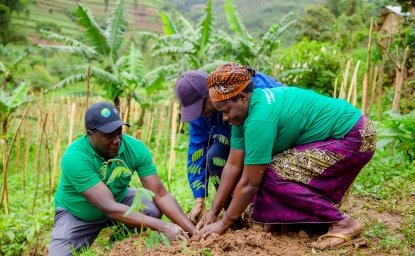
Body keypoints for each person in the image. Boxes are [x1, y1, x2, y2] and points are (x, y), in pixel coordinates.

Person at [196, 63, 376, 250]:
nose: (224, 118)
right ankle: (307, 218)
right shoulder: (243, 115)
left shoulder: (260, 118)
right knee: (269, 175)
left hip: (355, 135)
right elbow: (233, 164)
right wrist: (213, 212)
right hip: (339, 135)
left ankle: (343, 223)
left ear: (241, 97)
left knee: (272, 173)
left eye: (226, 111)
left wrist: (224, 224)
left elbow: (250, 183)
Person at [49, 102, 195, 256]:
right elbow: (109, 207)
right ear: (91, 135)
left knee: (151, 209)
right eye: (109, 136)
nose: (117, 140)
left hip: (119, 200)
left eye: (119, 132)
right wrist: (163, 226)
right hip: (78, 214)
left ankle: (114, 248)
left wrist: (193, 231)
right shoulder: (75, 157)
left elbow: (161, 194)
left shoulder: (134, 148)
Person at [175, 67, 283, 223]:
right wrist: (199, 198)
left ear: (211, 95)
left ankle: (265, 210)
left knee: (260, 167)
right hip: (235, 143)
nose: (199, 114)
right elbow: (197, 149)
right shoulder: (201, 113)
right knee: (214, 156)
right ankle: (233, 213)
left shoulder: (251, 90)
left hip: (271, 135)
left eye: (200, 108)